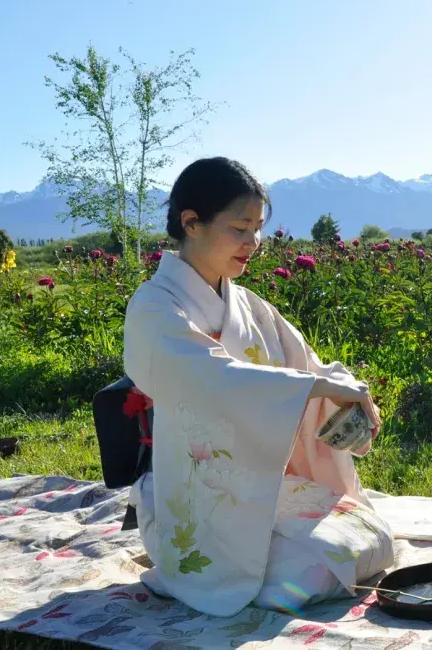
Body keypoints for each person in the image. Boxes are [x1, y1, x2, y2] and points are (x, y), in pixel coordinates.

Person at [124, 157, 394, 617]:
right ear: (191, 223)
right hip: (196, 498)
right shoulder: (154, 309)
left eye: (258, 229)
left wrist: (345, 393)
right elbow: (215, 380)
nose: (254, 243)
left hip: (269, 486)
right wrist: (313, 385)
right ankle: (210, 573)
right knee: (319, 570)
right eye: (240, 228)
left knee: (372, 543)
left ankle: (268, 563)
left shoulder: (248, 305)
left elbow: (306, 365)